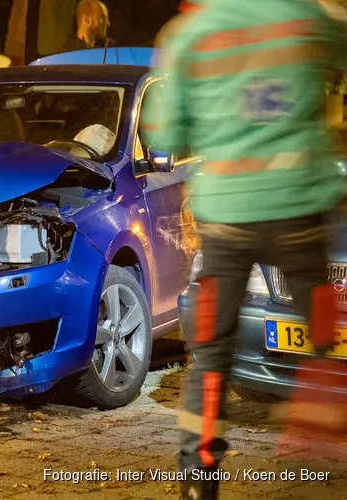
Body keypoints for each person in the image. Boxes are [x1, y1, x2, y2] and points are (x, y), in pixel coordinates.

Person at [142, 0, 347, 499]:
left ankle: (197, 477)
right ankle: (323, 389)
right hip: (299, 211)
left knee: (211, 354)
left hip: (227, 218)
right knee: (321, 310)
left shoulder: (189, 33)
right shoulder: (307, 17)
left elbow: (165, 133)